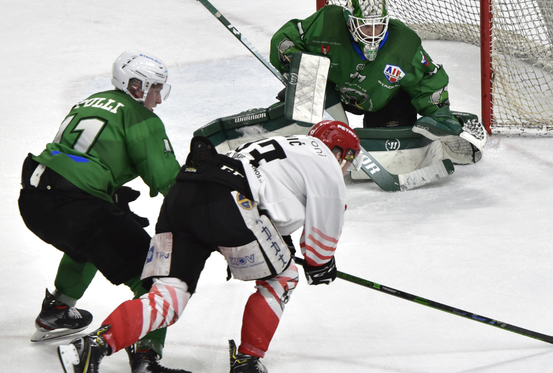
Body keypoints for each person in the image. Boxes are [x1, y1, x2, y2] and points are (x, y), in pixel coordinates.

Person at [57, 120, 361, 373]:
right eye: (347, 160)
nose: (345, 169)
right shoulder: (326, 163)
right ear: (339, 151)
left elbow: (265, 200)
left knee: (167, 298)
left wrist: (280, 243)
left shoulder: (285, 145)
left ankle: (90, 347)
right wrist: (321, 265)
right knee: (282, 277)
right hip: (230, 206)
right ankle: (246, 361)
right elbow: (320, 246)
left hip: (182, 195)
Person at [19, 50, 187, 373]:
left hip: (35, 199)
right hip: (76, 205)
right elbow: (168, 181)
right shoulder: (142, 118)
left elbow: (80, 155)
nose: (158, 99)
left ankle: (58, 308)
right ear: (136, 87)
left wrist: (104, 194)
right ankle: (146, 357)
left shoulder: (91, 101)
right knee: (156, 275)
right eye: (154, 89)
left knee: (90, 240)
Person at [269, 0, 464, 137]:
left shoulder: (404, 44)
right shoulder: (327, 24)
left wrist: (439, 114)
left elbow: (427, 80)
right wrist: (296, 66)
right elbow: (286, 40)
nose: (372, 34)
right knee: (306, 79)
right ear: (349, 21)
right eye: (365, 26)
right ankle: (287, 129)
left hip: (384, 102)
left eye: (378, 26)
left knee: (390, 137)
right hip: (331, 94)